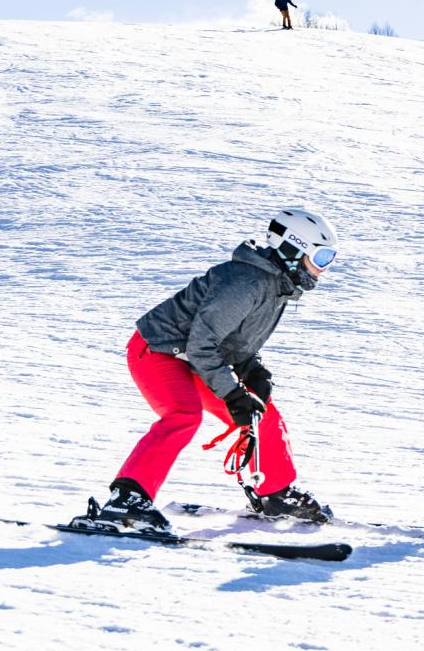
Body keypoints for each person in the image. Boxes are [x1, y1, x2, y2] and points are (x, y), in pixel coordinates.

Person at [97, 209, 339, 530]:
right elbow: (202, 343)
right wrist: (233, 393)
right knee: (183, 414)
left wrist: (253, 372)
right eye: (321, 257)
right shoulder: (245, 282)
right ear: (292, 250)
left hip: (195, 357)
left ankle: (276, 494)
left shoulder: (275, 286)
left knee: (262, 414)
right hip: (158, 349)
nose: (324, 269)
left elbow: (234, 342)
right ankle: (127, 500)